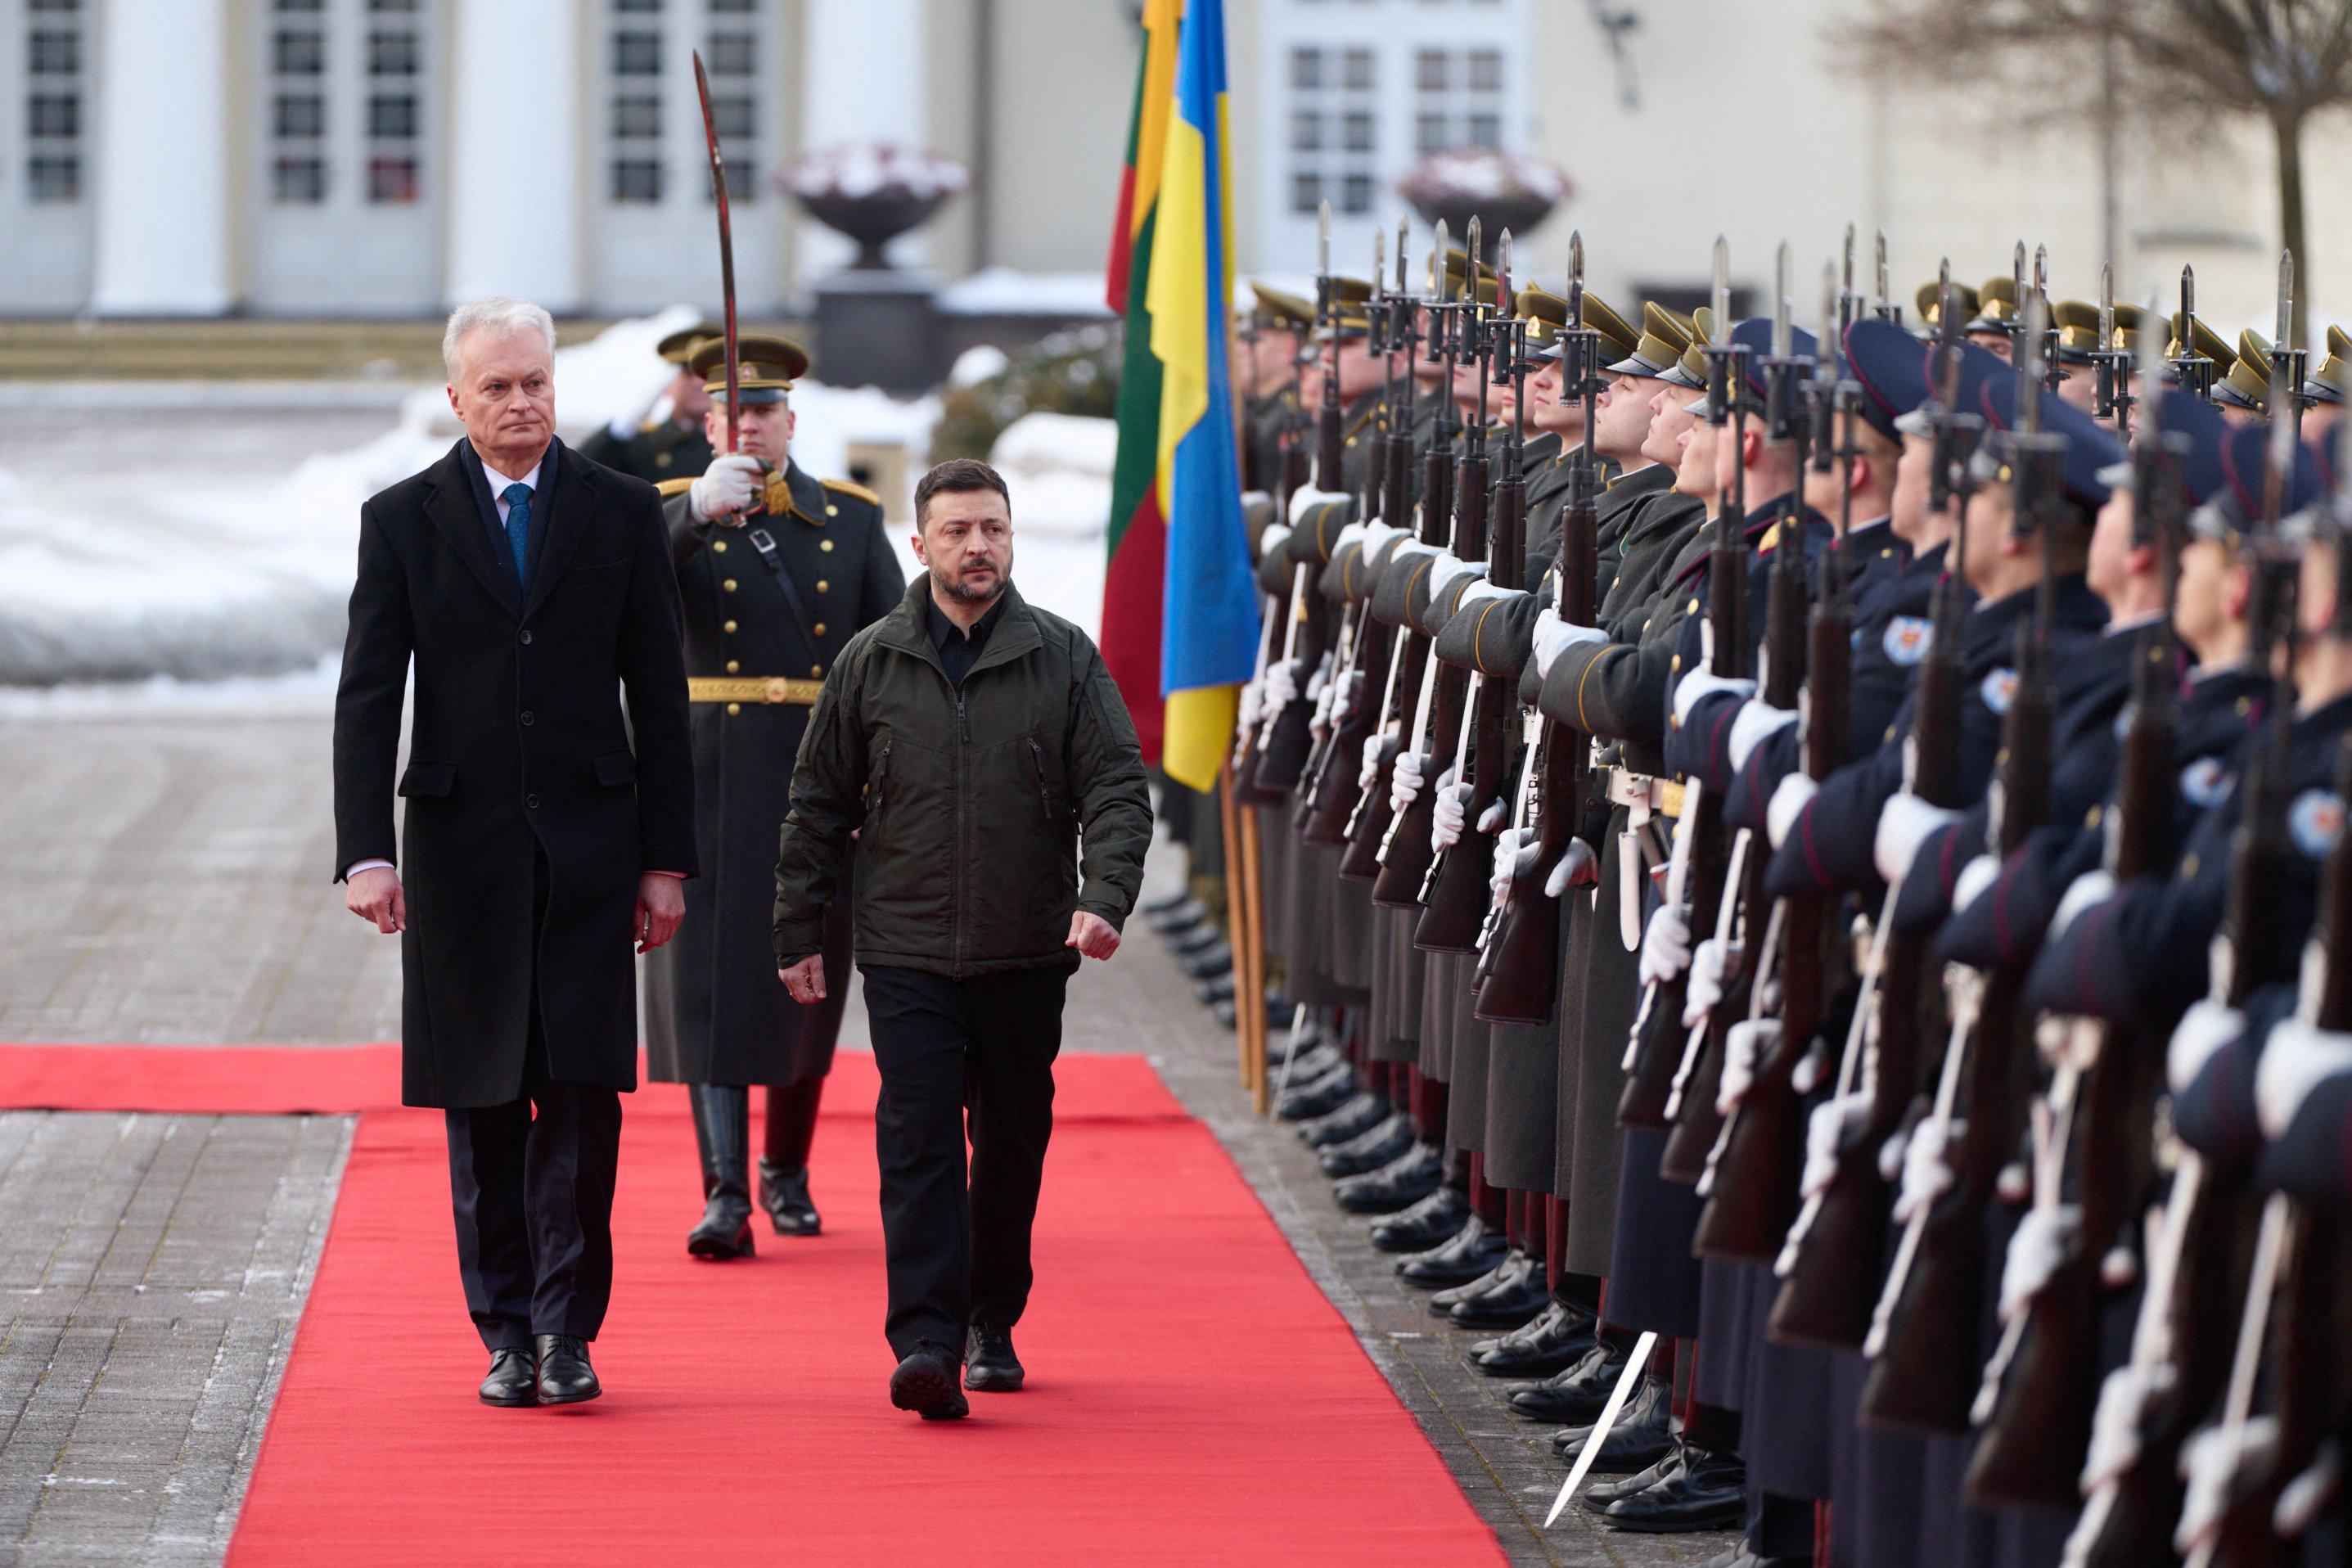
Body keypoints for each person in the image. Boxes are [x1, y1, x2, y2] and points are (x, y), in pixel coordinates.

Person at [333, 296, 695, 1408]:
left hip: (593, 849)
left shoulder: (621, 511)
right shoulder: (403, 519)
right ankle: (503, 1329)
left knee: (583, 1099)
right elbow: (366, 697)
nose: (521, 402)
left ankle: (567, 1330)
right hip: (459, 855)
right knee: (482, 1098)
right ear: (456, 397)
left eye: (535, 381)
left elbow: (659, 697)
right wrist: (366, 854)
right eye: (497, 386)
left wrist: (664, 859)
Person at [770, 457, 1151, 1420]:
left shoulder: (1062, 655)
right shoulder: (871, 658)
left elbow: (1114, 784)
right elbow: (816, 801)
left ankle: (993, 1317)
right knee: (919, 1139)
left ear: (1011, 537)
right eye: (956, 530)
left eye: (992, 528)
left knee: (1012, 1141)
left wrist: (1105, 893)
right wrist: (798, 927)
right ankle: (926, 1339)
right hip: (903, 948)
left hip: (1027, 946)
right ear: (920, 544)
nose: (976, 546)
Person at [642, 335, 904, 1260]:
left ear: (791, 421)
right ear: (709, 422)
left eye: (766, 411)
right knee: (705, 978)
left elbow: (890, 657)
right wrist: (690, 519)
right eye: (732, 412)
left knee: (809, 970)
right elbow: (615, 597)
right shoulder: (668, 514)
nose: (750, 424)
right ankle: (723, 1191)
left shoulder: (853, 518)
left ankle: (785, 1169)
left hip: (815, 771)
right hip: (704, 770)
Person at [574, 323, 718, 484]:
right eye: (687, 374)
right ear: (667, 385)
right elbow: (579, 471)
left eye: (707, 374)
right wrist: (620, 429)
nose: (699, 383)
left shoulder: (732, 441)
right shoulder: (645, 444)